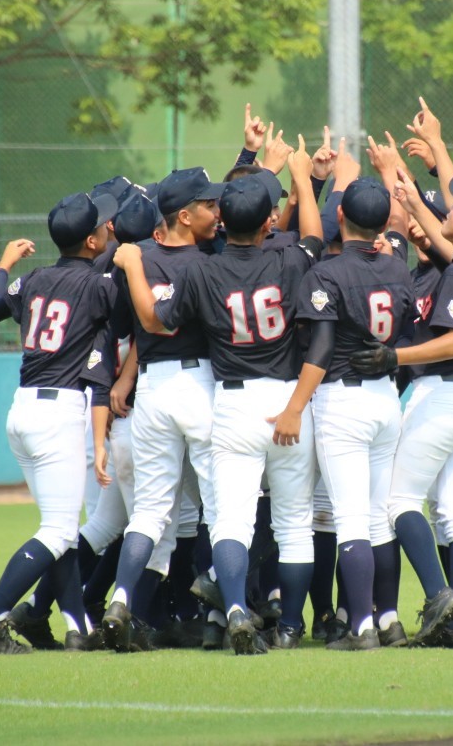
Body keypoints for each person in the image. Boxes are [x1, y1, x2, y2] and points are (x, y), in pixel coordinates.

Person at [115, 141, 323, 655]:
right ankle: (291, 627)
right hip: (287, 400)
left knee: (226, 519)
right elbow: (315, 236)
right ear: (269, 220)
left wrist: (134, 265)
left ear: (223, 221)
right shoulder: (289, 257)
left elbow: (154, 320)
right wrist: (300, 177)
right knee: (293, 522)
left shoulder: (200, 270)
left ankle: (231, 608)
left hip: (229, 401)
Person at [350, 175, 453, 648]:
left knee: (400, 503)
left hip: (442, 396)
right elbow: (449, 240)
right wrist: (408, 195)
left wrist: (395, 357)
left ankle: (439, 596)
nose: (451, 210)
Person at [0, 191, 122, 654]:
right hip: (59, 413)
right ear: (93, 240)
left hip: (23, 410)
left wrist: (4, 264)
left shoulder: (33, 279)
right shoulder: (95, 286)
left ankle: (77, 627)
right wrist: (124, 257)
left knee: (62, 527)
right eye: (103, 230)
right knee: (56, 530)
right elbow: (122, 310)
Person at [276, 177, 416, 651]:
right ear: (382, 226)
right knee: (379, 518)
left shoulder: (327, 273)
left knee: (352, 519)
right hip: (385, 397)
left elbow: (320, 348)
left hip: (343, 399)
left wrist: (294, 407)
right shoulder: (399, 270)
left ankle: (361, 627)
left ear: (341, 218)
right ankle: (390, 618)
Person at [100, 167, 225, 651]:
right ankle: (223, 601)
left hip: (152, 389)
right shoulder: (210, 260)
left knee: (151, 512)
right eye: (208, 206)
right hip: (199, 385)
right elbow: (157, 320)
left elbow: (135, 325)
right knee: (219, 507)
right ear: (184, 215)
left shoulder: (138, 257)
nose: (216, 212)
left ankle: (122, 598)